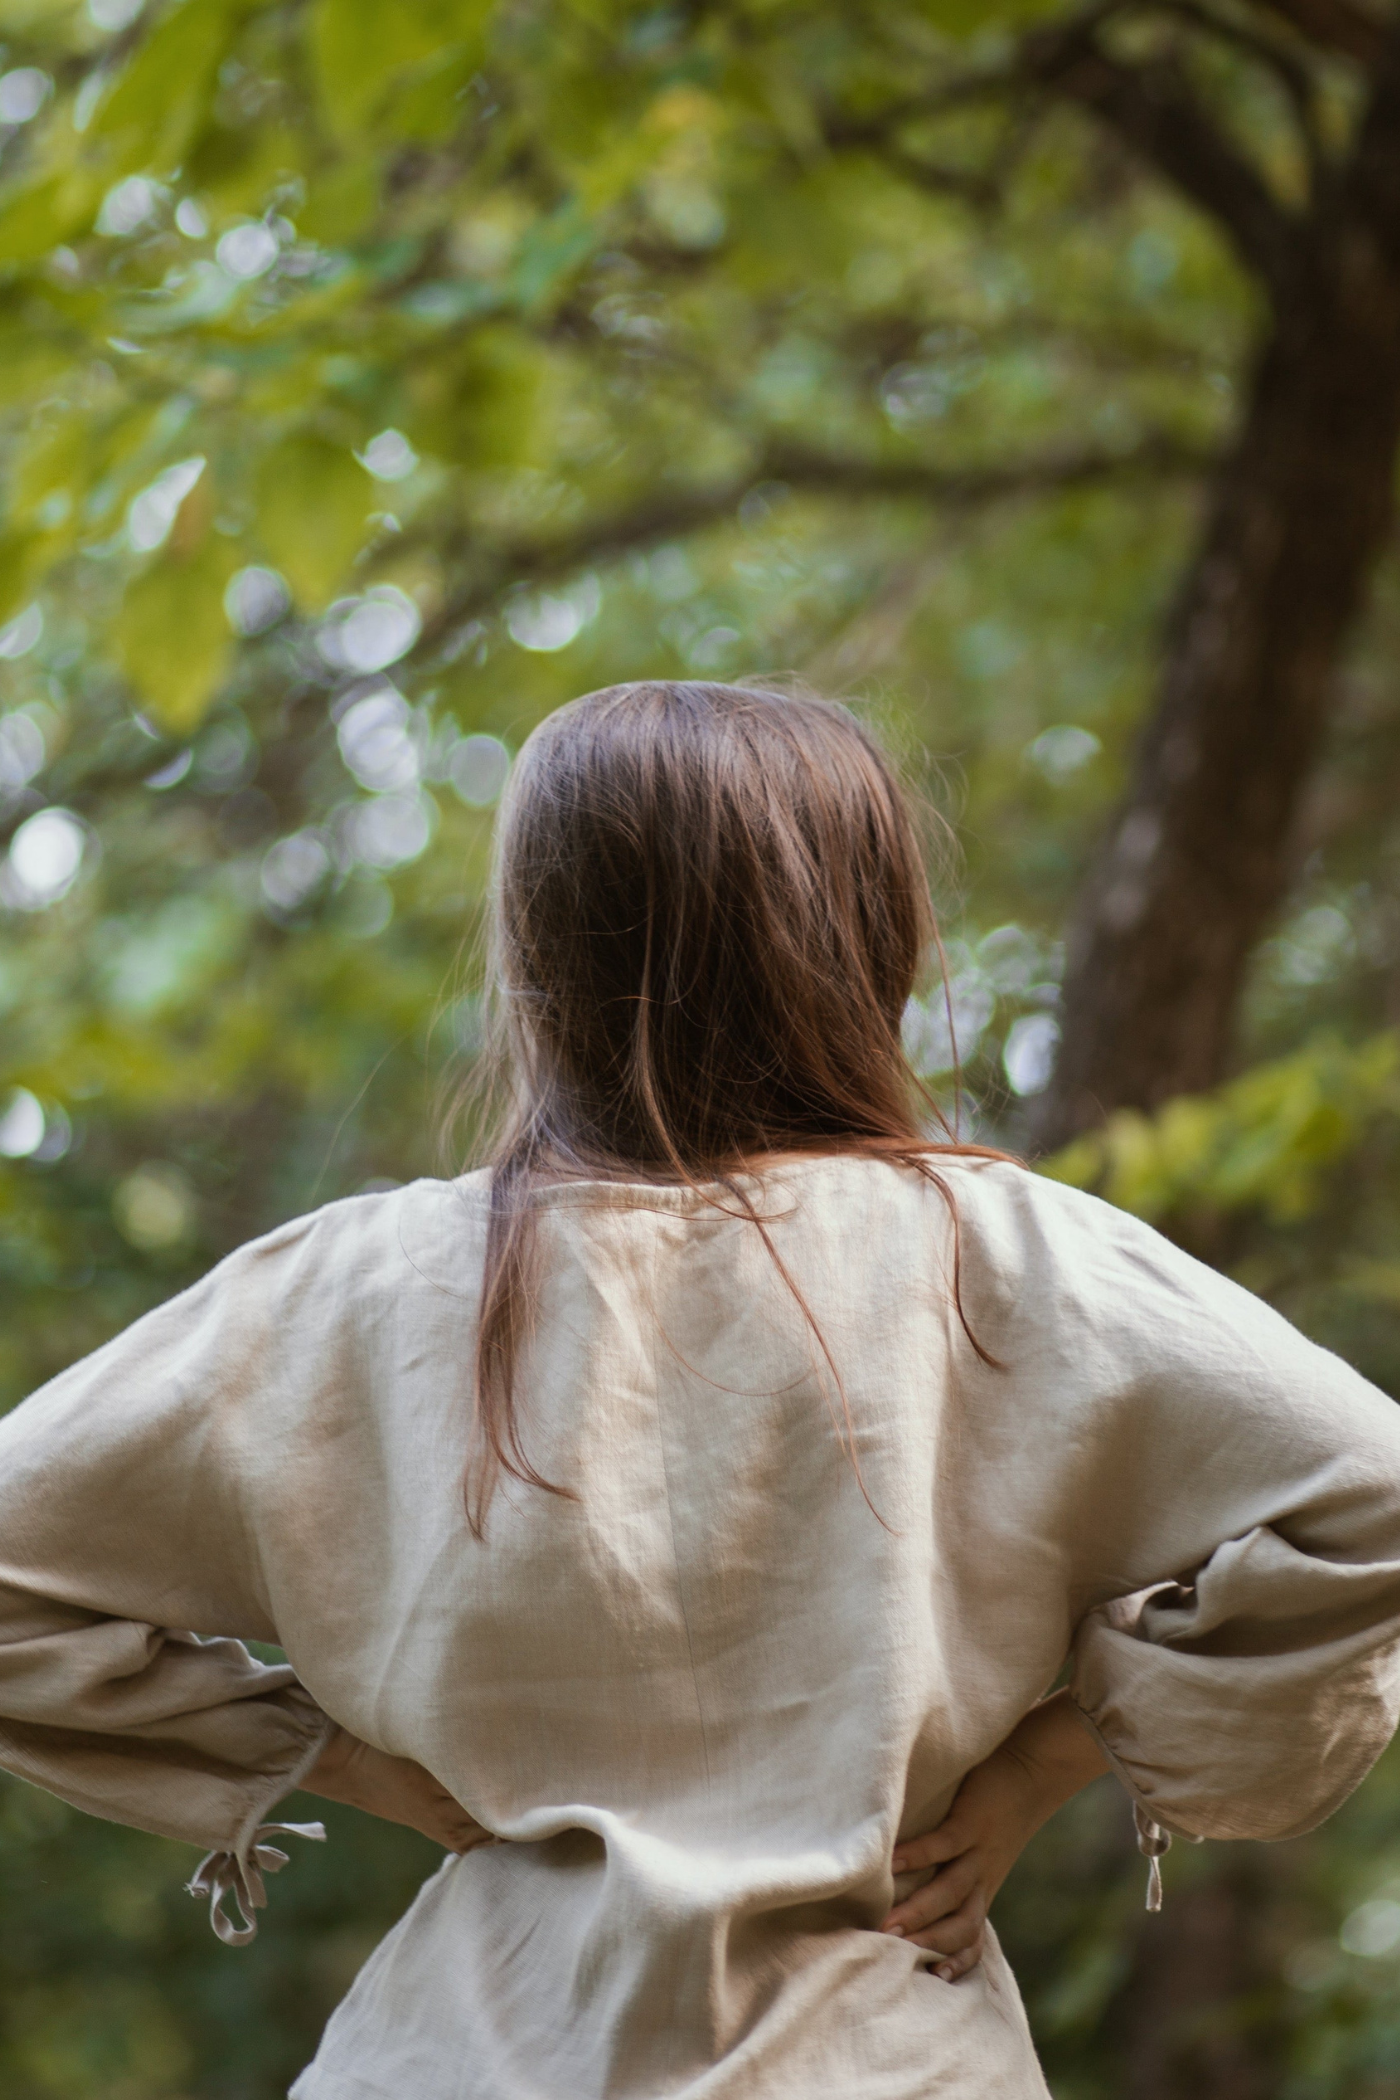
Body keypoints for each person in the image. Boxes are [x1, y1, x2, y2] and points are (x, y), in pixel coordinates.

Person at [3, 679, 1400, 2100]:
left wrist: (323, 1756)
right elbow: (1376, 1495)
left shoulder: (363, 1283)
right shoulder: (998, 1254)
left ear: (544, 944)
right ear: (869, 937)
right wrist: (1056, 1755)